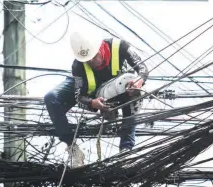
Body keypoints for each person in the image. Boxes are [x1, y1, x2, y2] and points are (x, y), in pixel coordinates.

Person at [44, 31, 149, 168]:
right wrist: (92, 103)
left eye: (94, 56)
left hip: (116, 88)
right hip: (88, 91)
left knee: (133, 91)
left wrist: (139, 81)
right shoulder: (78, 65)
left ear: (101, 46)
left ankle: (125, 150)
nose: (92, 62)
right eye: (87, 60)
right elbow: (78, 96)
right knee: (51, 98)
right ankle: (73, 149)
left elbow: (143, 68)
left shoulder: (120, 47)